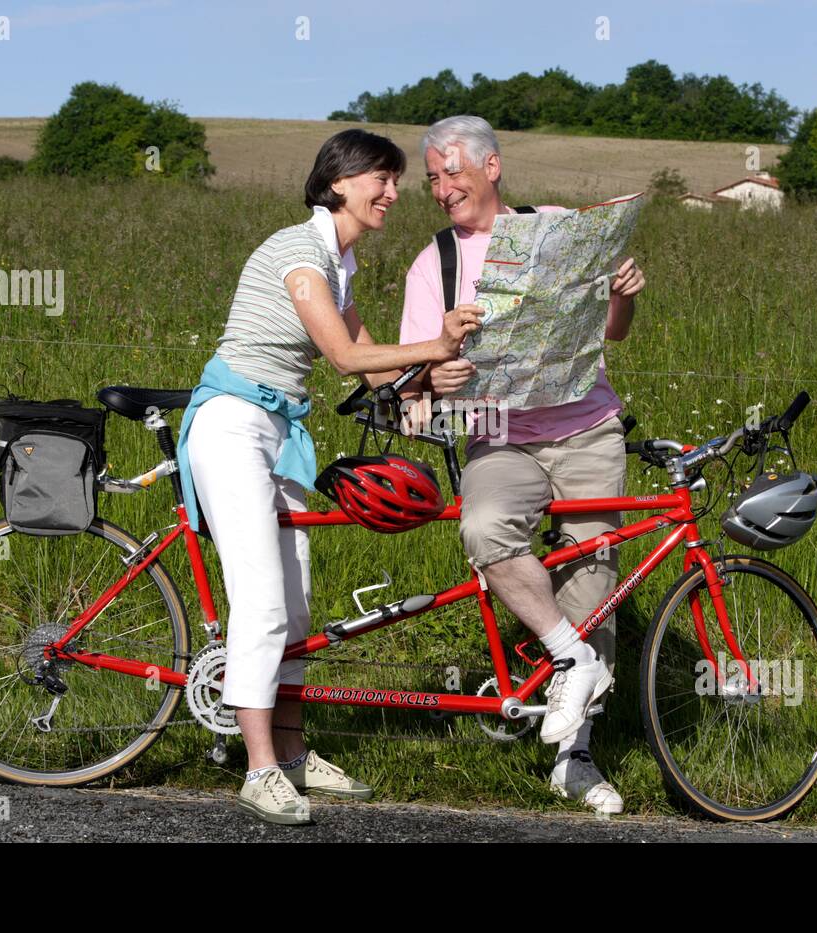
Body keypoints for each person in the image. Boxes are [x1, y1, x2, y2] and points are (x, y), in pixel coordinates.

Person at [177, 129, 482, 825]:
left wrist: (428, 375)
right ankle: (257, 770)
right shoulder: (299, 252)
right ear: (340, 181)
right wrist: (434, 341)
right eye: (385, 177)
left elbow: (375, 360)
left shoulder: (338, 264)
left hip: (279, 432)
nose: (396, 193)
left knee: (299, 606)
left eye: (398, 181)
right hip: (231, 424)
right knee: (261, 602)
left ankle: (289, 753)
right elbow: (344, 357)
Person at [398, 115, 646, 814]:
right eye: (433, 179)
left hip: (588, 428)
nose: (443, 189)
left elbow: (612, 332)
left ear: (493, 166)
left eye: (453, 173)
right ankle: (574, 656)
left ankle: (576, 758)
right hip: (500, 437)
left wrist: (623, 291)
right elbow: (413, 381)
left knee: (592, 576)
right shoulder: (435, 263)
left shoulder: (559, 228)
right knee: (484, 527)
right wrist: (433, 379)